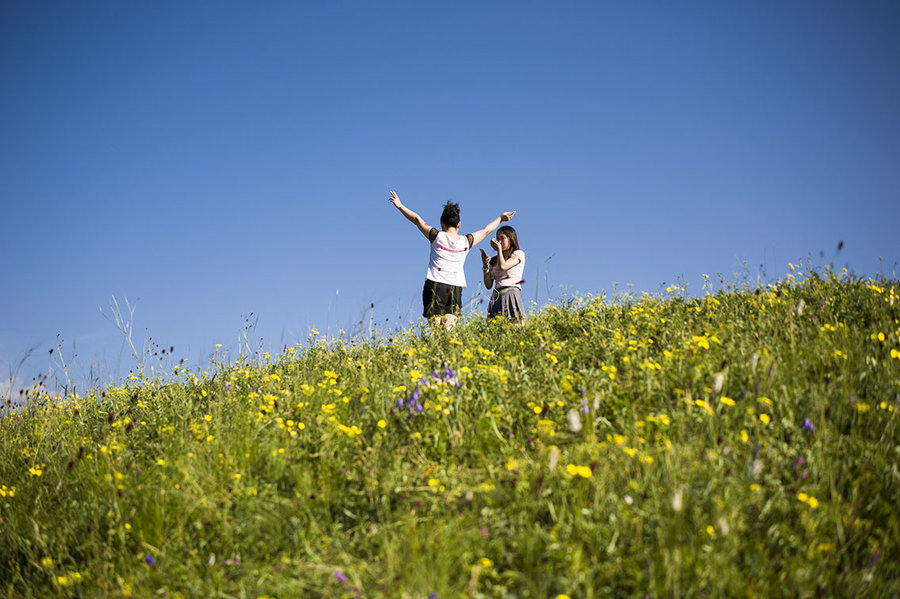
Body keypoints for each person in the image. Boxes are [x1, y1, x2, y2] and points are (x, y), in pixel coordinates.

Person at [389, 190, 515, 330]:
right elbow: (486, 231)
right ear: (459, 224)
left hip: (435, 285)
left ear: (442, 223)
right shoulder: (466, 241)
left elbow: (417, 220)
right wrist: (500, 218)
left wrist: (400, 206)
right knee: (449, 330)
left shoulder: (436, 236)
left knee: (436, 332)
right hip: (455, 288)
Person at [481, 226, 526, 320]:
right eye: (498, 239)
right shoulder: (494, 260)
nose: (500, 241)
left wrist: (498, 249)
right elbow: (488, 285)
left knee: (513, 324)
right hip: (497, 295)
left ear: (511, 239)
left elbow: (503, 266)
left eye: (502, 238)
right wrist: (485, 265)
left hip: (510, 292)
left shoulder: (518, 254)